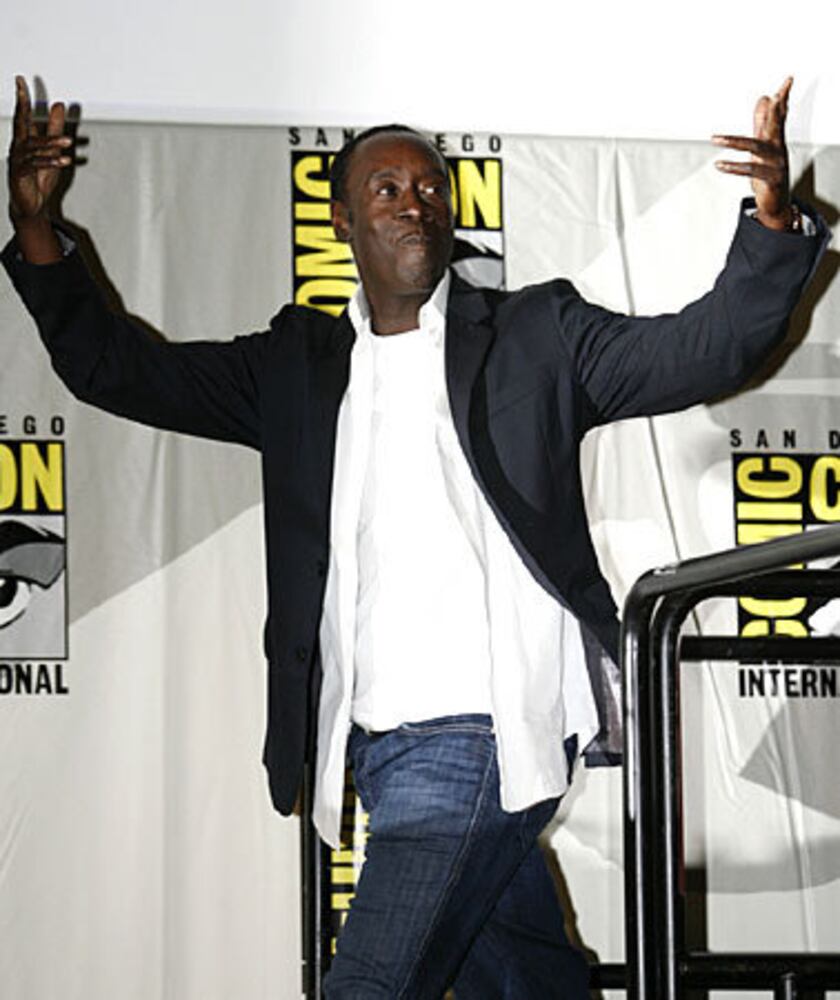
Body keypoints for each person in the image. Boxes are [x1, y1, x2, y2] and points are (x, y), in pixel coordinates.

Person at [4, 76, 828, 998]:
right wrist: (38, 232)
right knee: (524, 980)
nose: (414, 203)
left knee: (369, 986)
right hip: (371, 741)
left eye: (431, 187)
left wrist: (771, 225)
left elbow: (704, 348)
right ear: (343, 220)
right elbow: (120, 371)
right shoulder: (297, 367)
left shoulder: (535, 335)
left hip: (480, 731)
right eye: (387, 188)